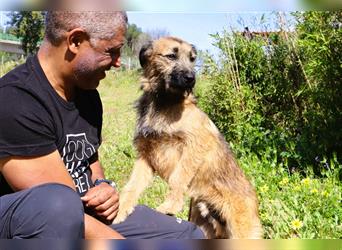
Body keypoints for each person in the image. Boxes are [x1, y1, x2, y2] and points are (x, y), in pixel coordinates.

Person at [0, 11, 205, 239]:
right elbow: (64, 214)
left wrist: (103, 185)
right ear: (76, 41)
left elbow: (89, 158)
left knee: (188, 235)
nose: (118, 62)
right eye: (111, 51)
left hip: (82, 212)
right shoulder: (15, 101)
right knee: (60, 206)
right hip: (39, 221)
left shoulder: (87, 94)